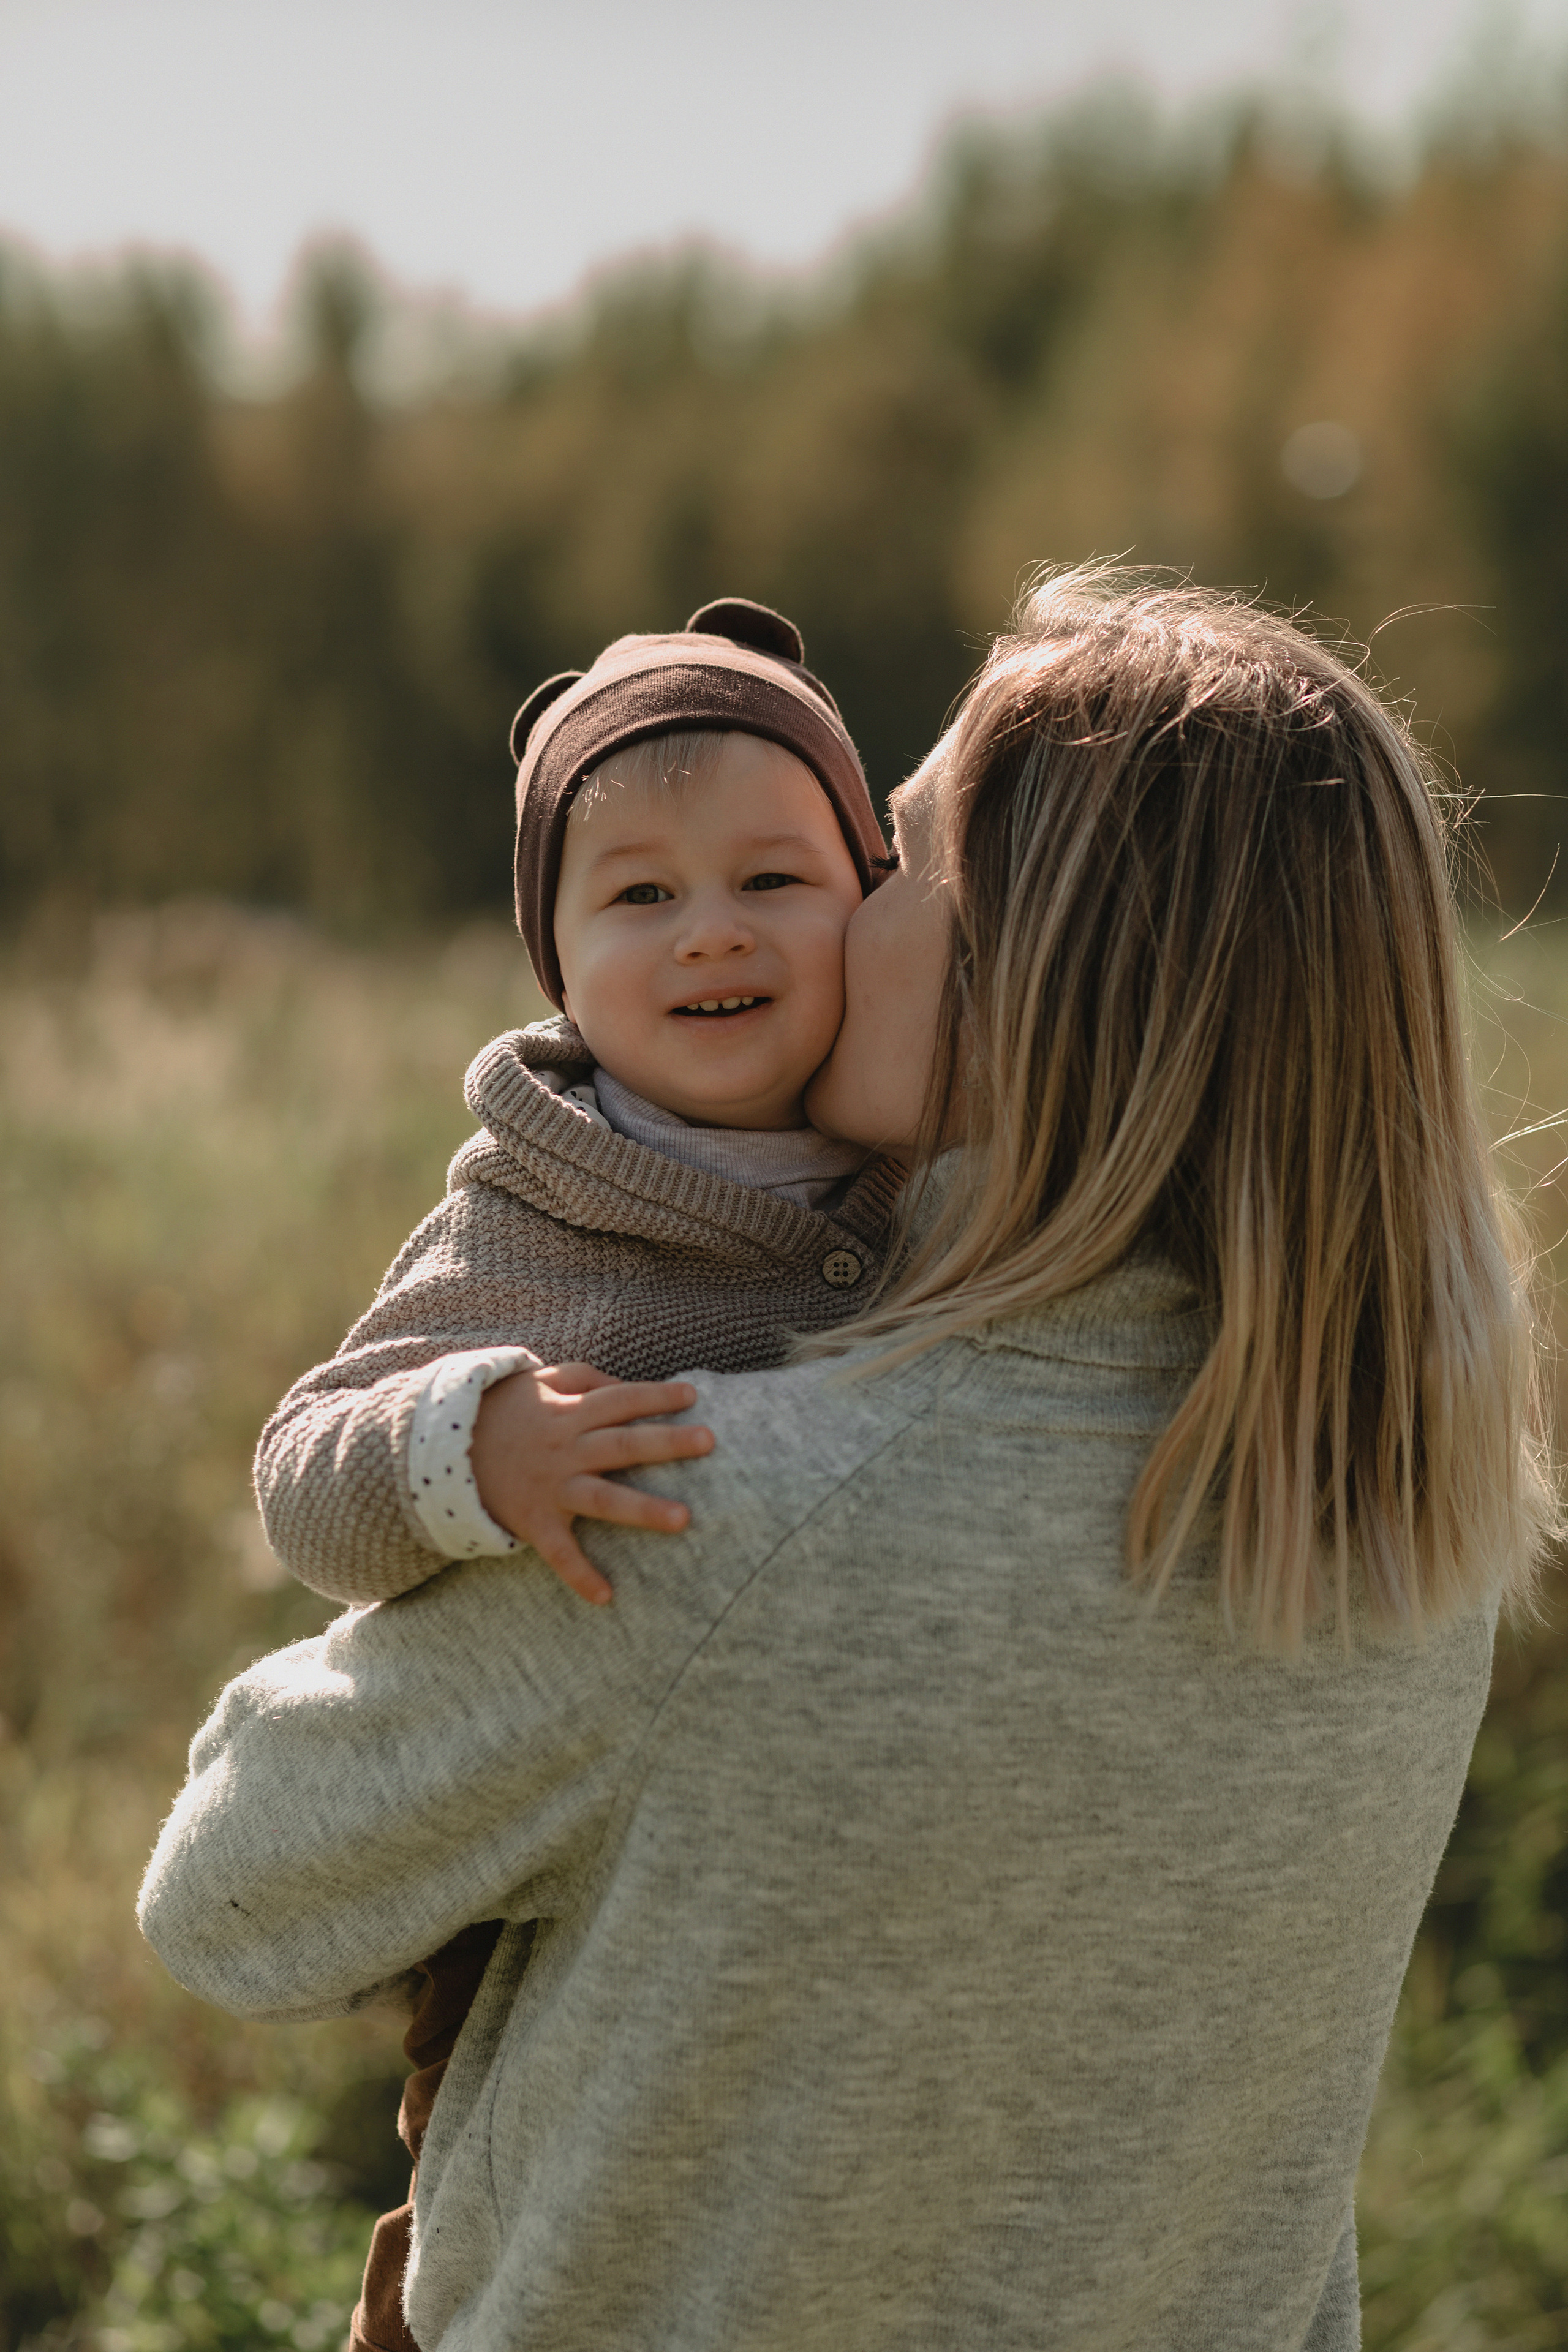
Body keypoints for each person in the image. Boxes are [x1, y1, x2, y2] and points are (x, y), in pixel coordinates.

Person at [140, 566, 1555, 2352]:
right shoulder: (1407, 1521)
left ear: (1030, 965)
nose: (844, 921)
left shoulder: (706, 1512)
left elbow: (233, 1898)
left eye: (895, 855)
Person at [253, 593, 900, 2350]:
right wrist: (476, 1443)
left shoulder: (929, 1154)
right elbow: (304, 1473)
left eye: (775, 882)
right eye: (639, 896)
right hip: (563, 1911)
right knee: (525, 2218)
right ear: (553, 956)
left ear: (882, 899)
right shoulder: (538, 1203)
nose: (713, 934)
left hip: (845, 1880)